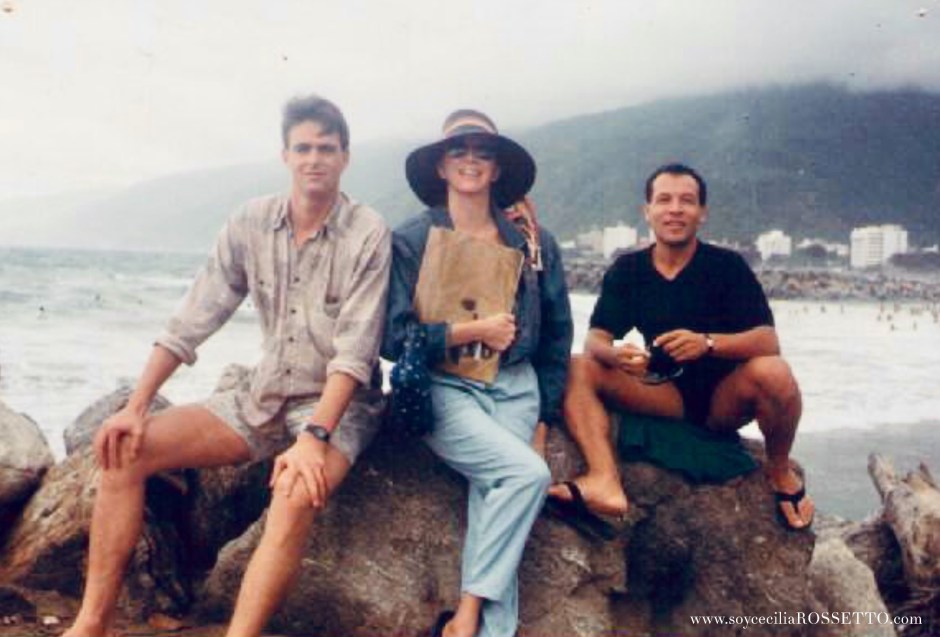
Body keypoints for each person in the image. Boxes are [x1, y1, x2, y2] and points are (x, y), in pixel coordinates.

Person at [62, 95, 391, 637]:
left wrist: (314, 438)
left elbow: (355, 353)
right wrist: (136, 406)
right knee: (125, 451)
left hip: (338, 407)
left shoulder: (367, 231)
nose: (314, 159)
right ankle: (90, 624)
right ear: (285, 156)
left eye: (326, 148)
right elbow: (194, 317)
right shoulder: (251, 222)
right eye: (303, 148)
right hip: (262, 395)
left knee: (295, 491)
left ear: (345, 157)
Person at [382, 110, 572, 637]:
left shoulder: (532, 242)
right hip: (444, 385)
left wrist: (544, 422)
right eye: (458, 151)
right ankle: (467, 617)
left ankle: (478, 629)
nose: (470, 161)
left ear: (497, 168)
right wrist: (471, 331)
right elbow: (392, 338)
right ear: (441, 166)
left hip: (515, 387)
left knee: (496, 493)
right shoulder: (412, 239)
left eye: (483, 152)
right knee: (525, 476)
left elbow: (556, 339)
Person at [549, 163, 814, 531]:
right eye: (664, 200)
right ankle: (604, 479)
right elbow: (596, 339)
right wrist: (617, 355)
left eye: (687, 201)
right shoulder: (628, 269)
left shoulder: (727, 266)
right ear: (648, 211)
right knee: (577, 366)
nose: (675, 209)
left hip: (724, 398)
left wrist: (707, 343)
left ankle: (780, 470)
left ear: (702, 213)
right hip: (664, 392)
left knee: (775, 373)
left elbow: (768, 342)